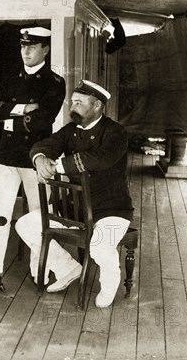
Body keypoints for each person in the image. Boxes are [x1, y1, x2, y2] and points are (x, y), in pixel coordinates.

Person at [16, 80, 134, 308]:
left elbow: (99, 159)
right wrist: (40, 159)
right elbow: (45, 145)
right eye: (73, 102)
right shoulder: (71, 131)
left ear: (97, 105)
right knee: (26, 225)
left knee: (99, 247)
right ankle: (68, 268)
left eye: (79, 103)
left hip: (110, 209)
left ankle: (109, 284)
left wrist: (57, 166)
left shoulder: (115, 133)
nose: (72, 107)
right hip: (75, 210)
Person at [0, 26, 65, 279]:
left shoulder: (54, 82)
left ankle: (40, 269)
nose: (26, 51)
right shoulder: (11, 77)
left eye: (32, 46)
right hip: (7, 155)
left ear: (45, 49)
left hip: (36, 158)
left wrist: (8, 115)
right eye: (23, 46)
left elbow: (44, 120)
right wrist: (23, 108)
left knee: (38, 214)